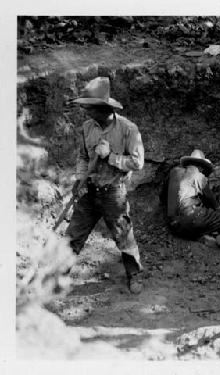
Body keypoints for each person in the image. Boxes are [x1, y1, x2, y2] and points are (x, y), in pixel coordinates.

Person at [65, 77, 145, 294]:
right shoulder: (87, 128)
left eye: (89, 108)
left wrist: (110, 156)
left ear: (102, 108)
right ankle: (58, 276)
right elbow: (83, 156)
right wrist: (79, 178)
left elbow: (137, 163)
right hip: (89, 191)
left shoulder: (128, 129)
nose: (86, 112)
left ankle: (134, 275)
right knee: (73, 234)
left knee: (123, 236)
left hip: (113, 193)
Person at [159, 149, 220, 259]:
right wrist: (218, 208)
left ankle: (202, 238)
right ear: (201, 166)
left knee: (191, 226)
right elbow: (211, 202)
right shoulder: (199, 176)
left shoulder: (174, 172)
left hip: (174, 225)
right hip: (193, 215)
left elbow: (162, 197)